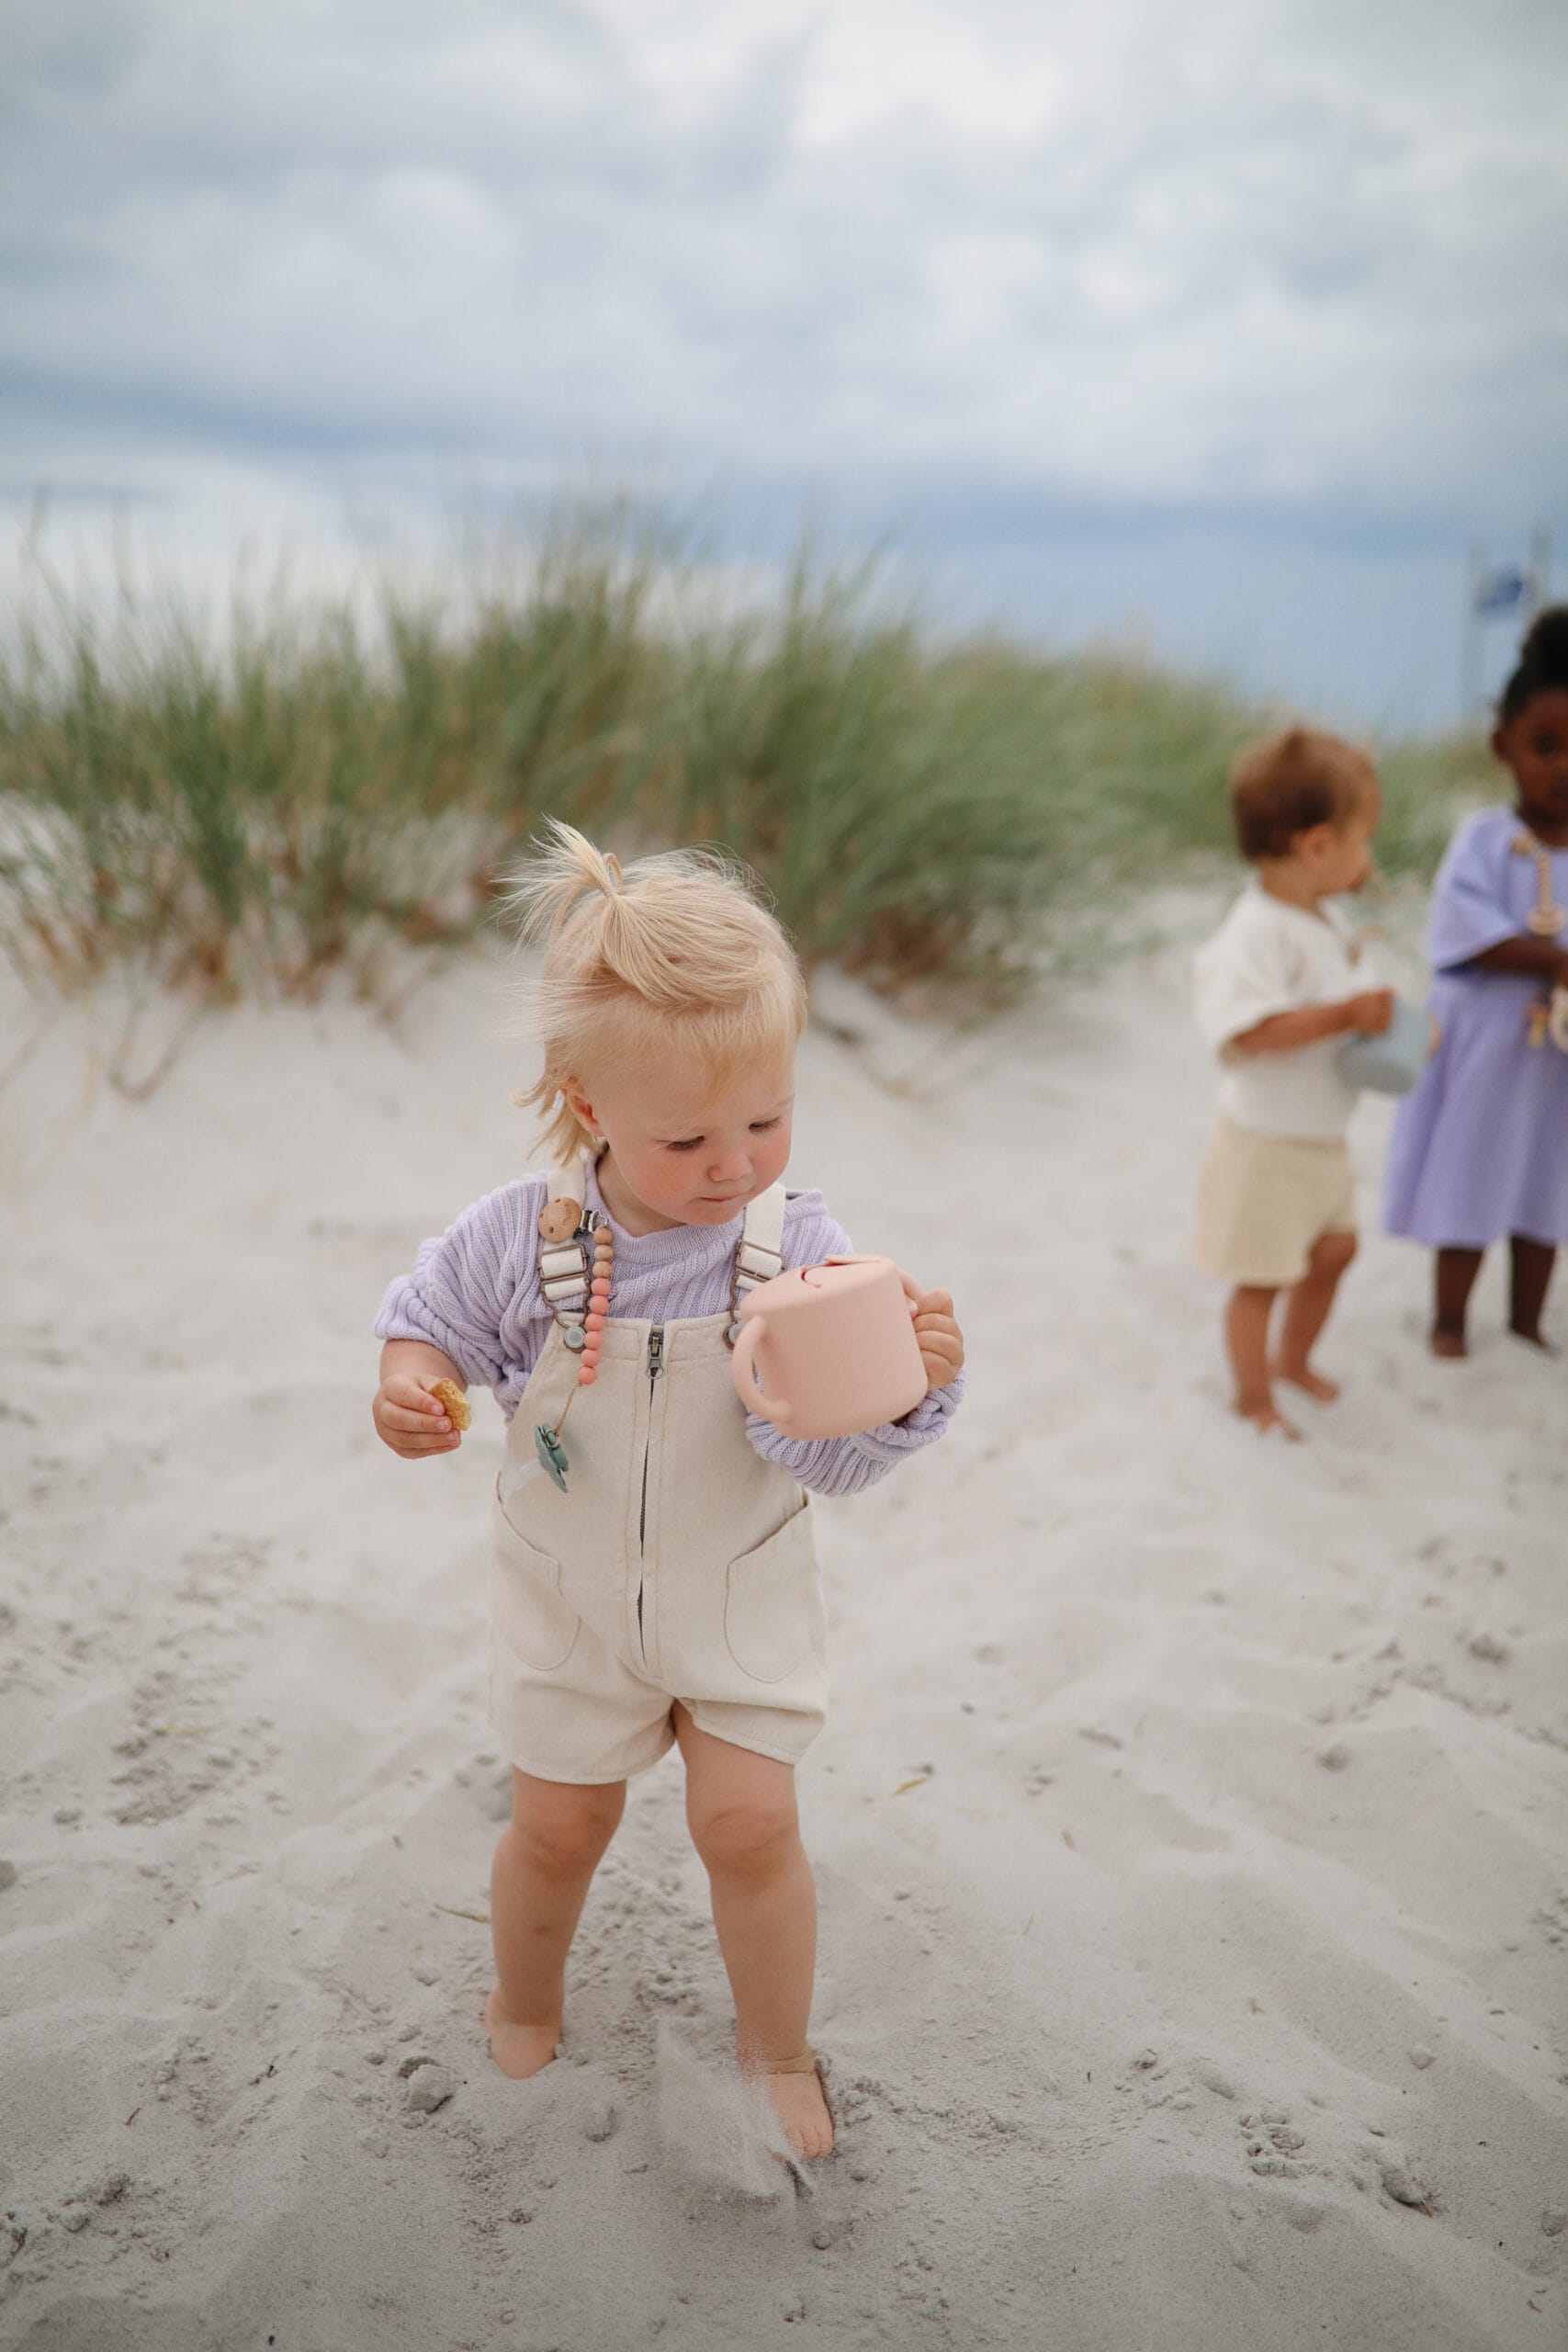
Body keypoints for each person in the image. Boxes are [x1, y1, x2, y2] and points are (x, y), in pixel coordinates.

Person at [370, 823, 965, 2160]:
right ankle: (522, 1994)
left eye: (768, 1118)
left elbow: (837, 1459)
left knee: (748, 1823)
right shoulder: (523, 1240)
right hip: (570, 1601)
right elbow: (429, 1323)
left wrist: (909, 1388)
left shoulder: (794, 1248)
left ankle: (774, 2049)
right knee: (559, 1824)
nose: (736, 1162)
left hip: (737, 1594)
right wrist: (410, 1387)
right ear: (588, 1108)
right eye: (689, 1135)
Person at [1191, 726, 1393, 1437]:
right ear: (1315, 846)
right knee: (1262, 1276)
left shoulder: (1326, 916)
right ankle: (1252, 1395)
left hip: (1322, 1137)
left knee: (1335, 1250)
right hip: (1267, 1144)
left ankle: (1293, 1358)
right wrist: (1342, 1013)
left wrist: (1385, 1022)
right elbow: (1250, 1031)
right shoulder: (1256, 931)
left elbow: (1350, 997)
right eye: (1361, 840)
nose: (1368, 858)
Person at [1383, 606, 1568, 1355]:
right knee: (1469, 1173)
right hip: (1484, 1052)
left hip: (1555, 1064)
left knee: (1546, 1187)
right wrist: (1554, 960)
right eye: (1544, 746)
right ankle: (1449, 1320)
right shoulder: (1486, 839)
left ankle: (1526, 1322)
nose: (1562, 766)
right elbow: (1464, 934)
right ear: (1503, 745)